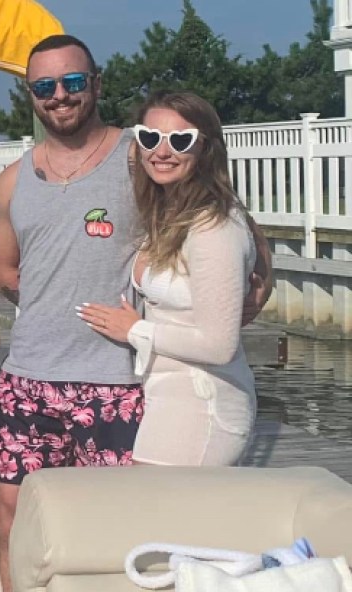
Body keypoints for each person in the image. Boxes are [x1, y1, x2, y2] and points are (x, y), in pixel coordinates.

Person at [0, 35, 273, 592]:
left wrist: (251, 293)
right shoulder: (14, 179)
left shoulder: (141, 155)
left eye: (73, 82)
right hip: (29, 377)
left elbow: (242, 237)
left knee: (110, 534)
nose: (60, 97)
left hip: (118, 382)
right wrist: (53, 309)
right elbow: (5, 268)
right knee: (14, 521)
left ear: (96, 84)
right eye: (45, 87)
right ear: (29, 95)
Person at [77, 92, 257, 465]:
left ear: (205, 148)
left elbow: (219, 346)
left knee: (155, 502)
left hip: (203, 401)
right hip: (167, 395)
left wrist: (135, 331)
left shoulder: (213, 227)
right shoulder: (168, 212)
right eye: (149, 137)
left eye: (180, 140)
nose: (162, 151)